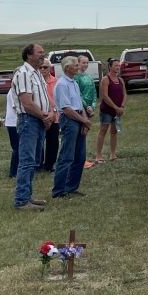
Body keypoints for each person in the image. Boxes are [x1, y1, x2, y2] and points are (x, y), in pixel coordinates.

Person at [12, 43, 54, 211]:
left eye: (44, 52)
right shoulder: (23, 74)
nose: (43, 55)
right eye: (39, 52)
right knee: (27, 161)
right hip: (29, 121)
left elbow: (44, 97)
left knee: (34, 161)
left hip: (38, 121)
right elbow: (27, 103)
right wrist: (44, 116)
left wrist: (50, 113)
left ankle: (28, 196)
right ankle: (21, 200)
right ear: (29, 55)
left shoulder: (37, 74)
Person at [52, 59, 91, 199]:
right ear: (67, 68)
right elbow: (66, 109)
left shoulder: (74, 82)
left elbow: (79, 104)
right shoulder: (62, 84)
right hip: (70, 120)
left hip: (78, 118)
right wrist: (83, 120)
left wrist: (85, 121)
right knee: (66, 156)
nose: (78, 67)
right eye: (75, 65)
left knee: (80, 157)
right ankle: (59, 190)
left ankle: (71, 187)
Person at [95, 58, 126, 163]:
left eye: (118, 65)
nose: (117, 67)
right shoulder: (106, 79)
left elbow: (124, 94)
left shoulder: (121, 80)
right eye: (115, 65)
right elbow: (105, 96)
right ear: (110, 67)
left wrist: (122, 106)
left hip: (117, 111)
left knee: (114, 131)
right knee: (103, 130)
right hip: (107, 110)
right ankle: (98, 155)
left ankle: (113, 154)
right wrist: (115, 107)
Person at [75, 54, 97, 170]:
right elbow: (77, 94)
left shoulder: (89, 76)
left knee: (84, 133)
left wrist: (93, 105)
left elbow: (94, 92)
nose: (85, 65)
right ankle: (80, 160)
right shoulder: (76, 78)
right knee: (80, 134)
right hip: (80, 109)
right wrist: (86, 106)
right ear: (78, 63)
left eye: (87, 63)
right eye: (83, 62)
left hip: (89, 109)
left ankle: (82, 158)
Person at [40, 60, 59, 172]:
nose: (42, 69)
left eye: (45, 67)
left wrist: (54, 111)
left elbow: (59, 99)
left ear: (50, 68)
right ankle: (38, 164)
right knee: (39, 141)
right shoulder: (36, 81)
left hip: (54, 116)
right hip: (39, 115)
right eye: (40, 67)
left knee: (53, 141)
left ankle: (50, 164)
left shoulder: (56, 81)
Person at [5, 78, 21, 178]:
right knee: (17, 148)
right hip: (13, 123)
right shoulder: (12, 91)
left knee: (20, 148)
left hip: (16, 123)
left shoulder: (18, 90)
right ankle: (13, 172)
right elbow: (16, 107)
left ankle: (19, 169)